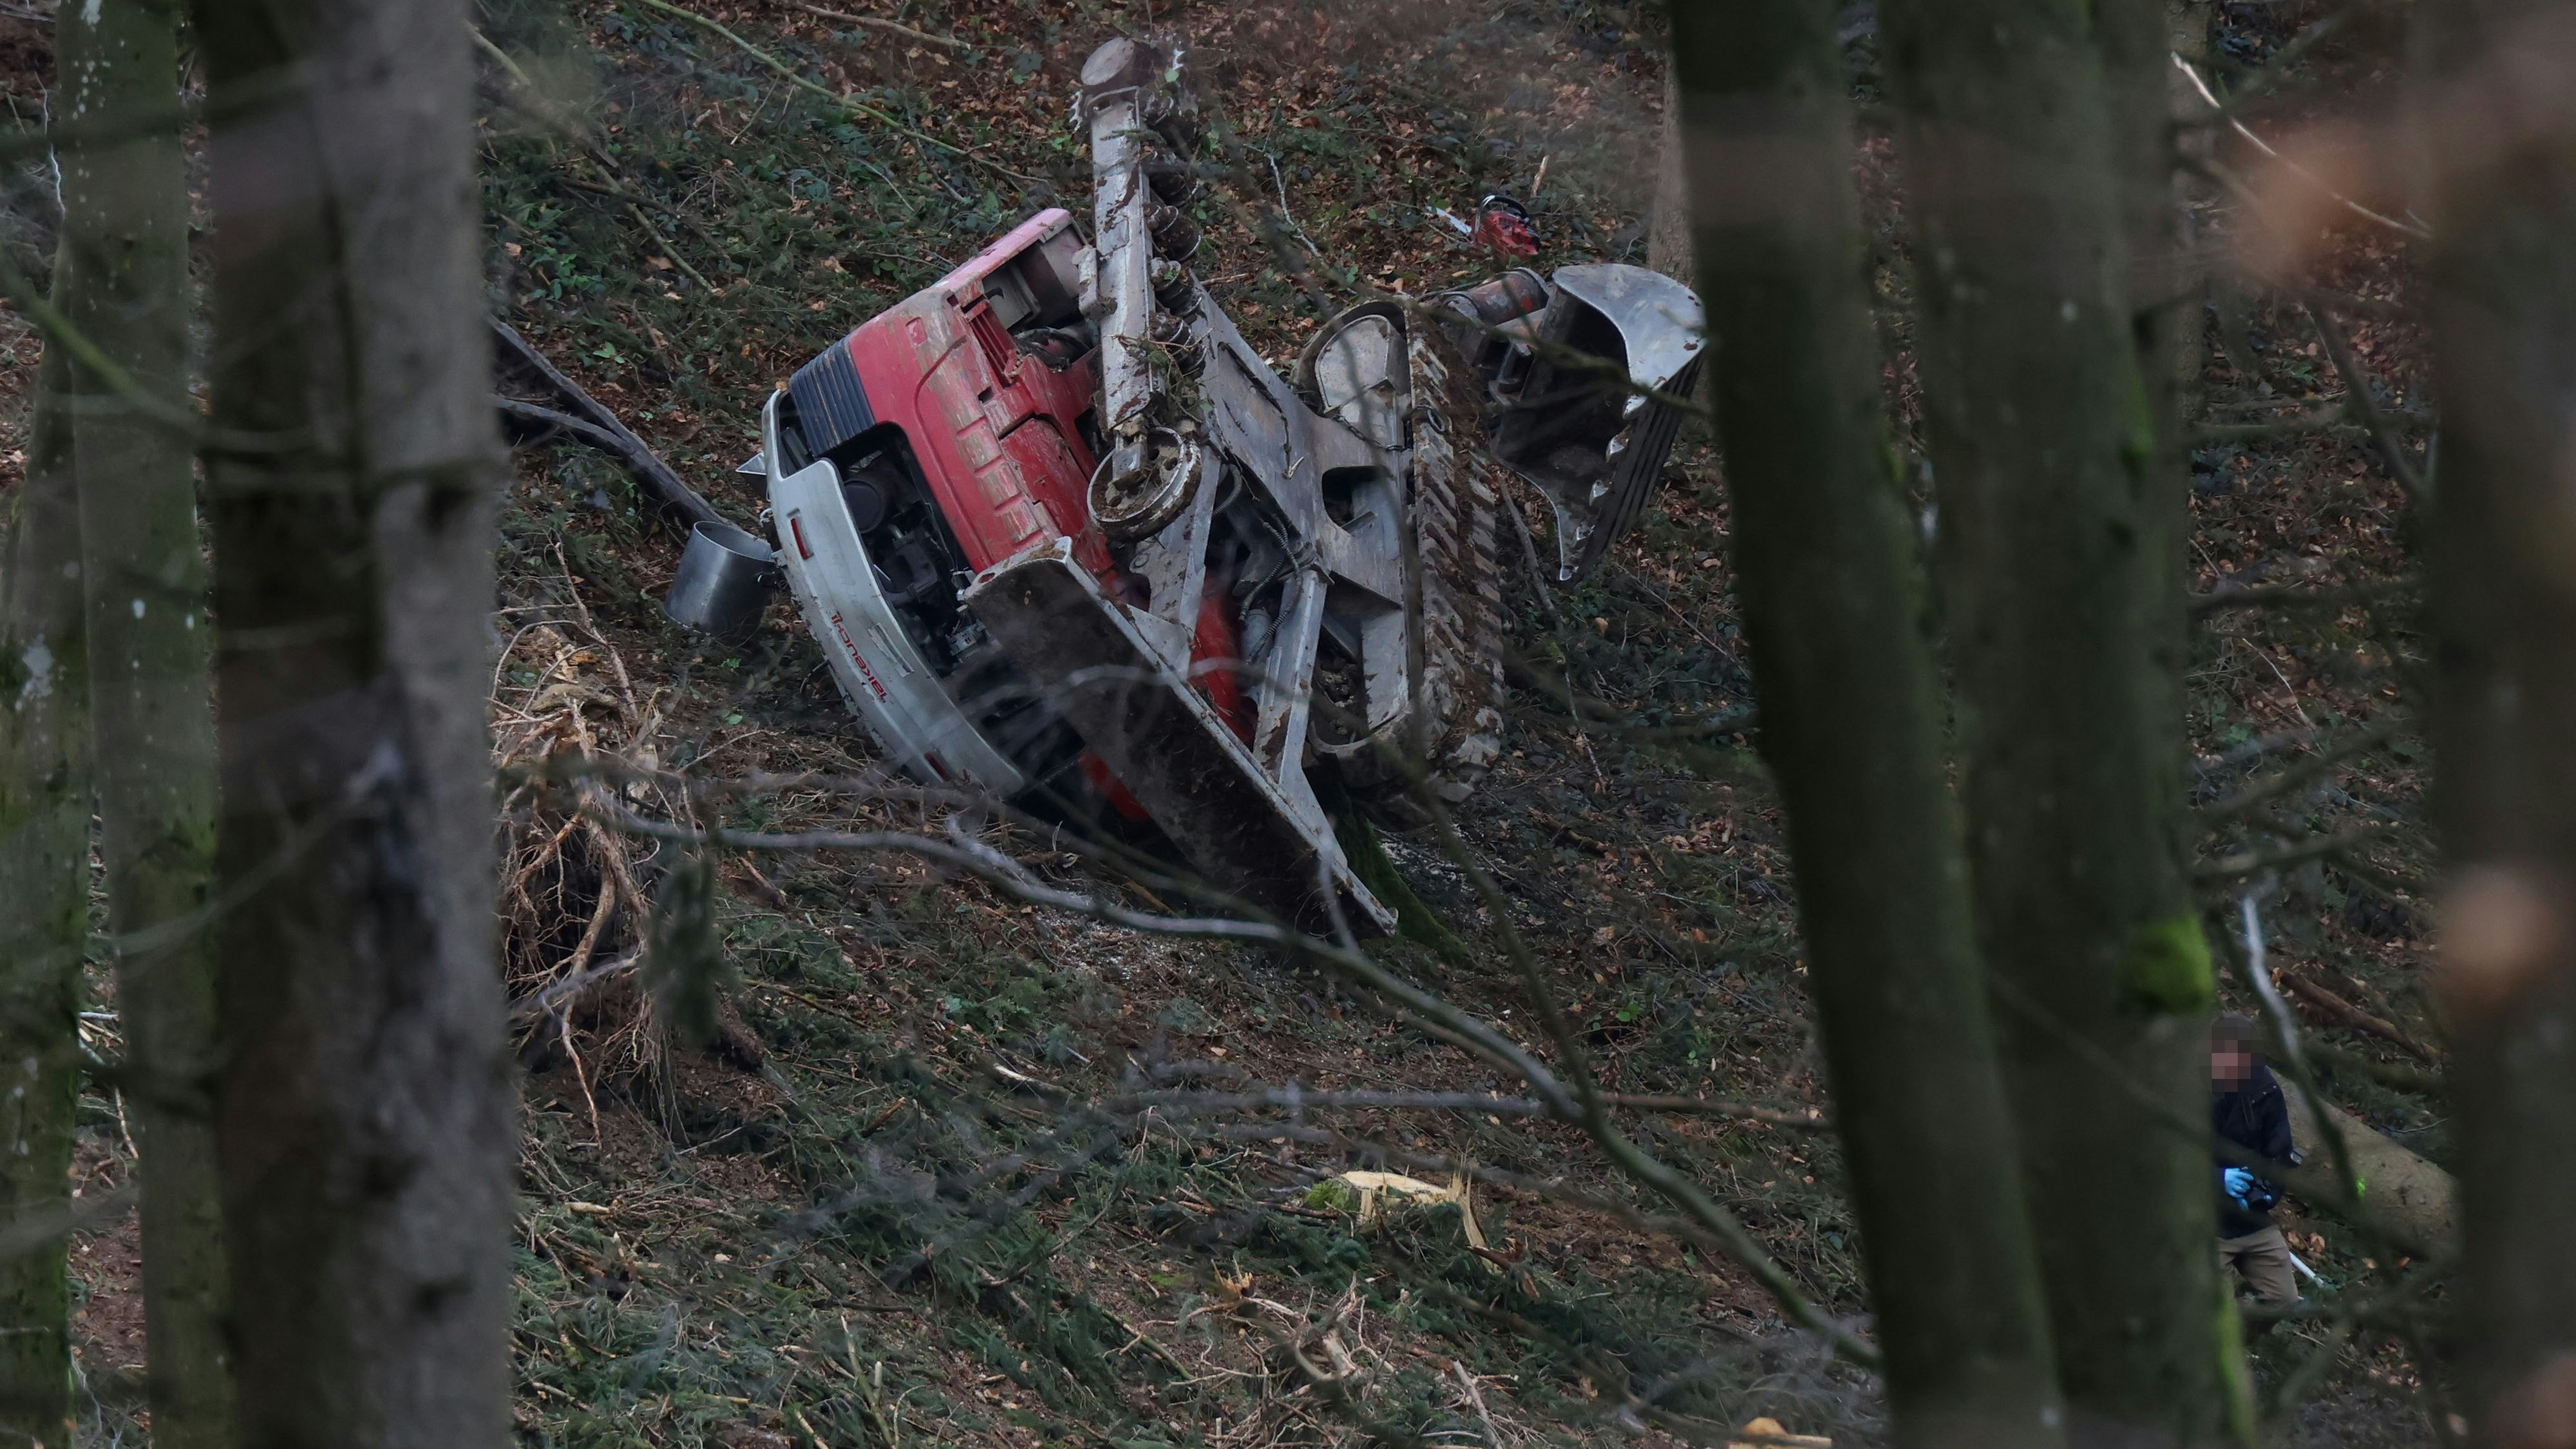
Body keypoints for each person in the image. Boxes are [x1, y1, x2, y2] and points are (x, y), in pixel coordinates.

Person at [2211, 1014, 2300, 1315]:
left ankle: (2238, 1349)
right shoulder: (2189, 1088)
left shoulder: (2264, 1089)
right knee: (2216, 1313)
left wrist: (2265, 1194)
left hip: (2252, 1221)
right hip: (2203, 1222)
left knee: (2284, 1300)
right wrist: (2217, 1179)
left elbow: (2281, 1154)